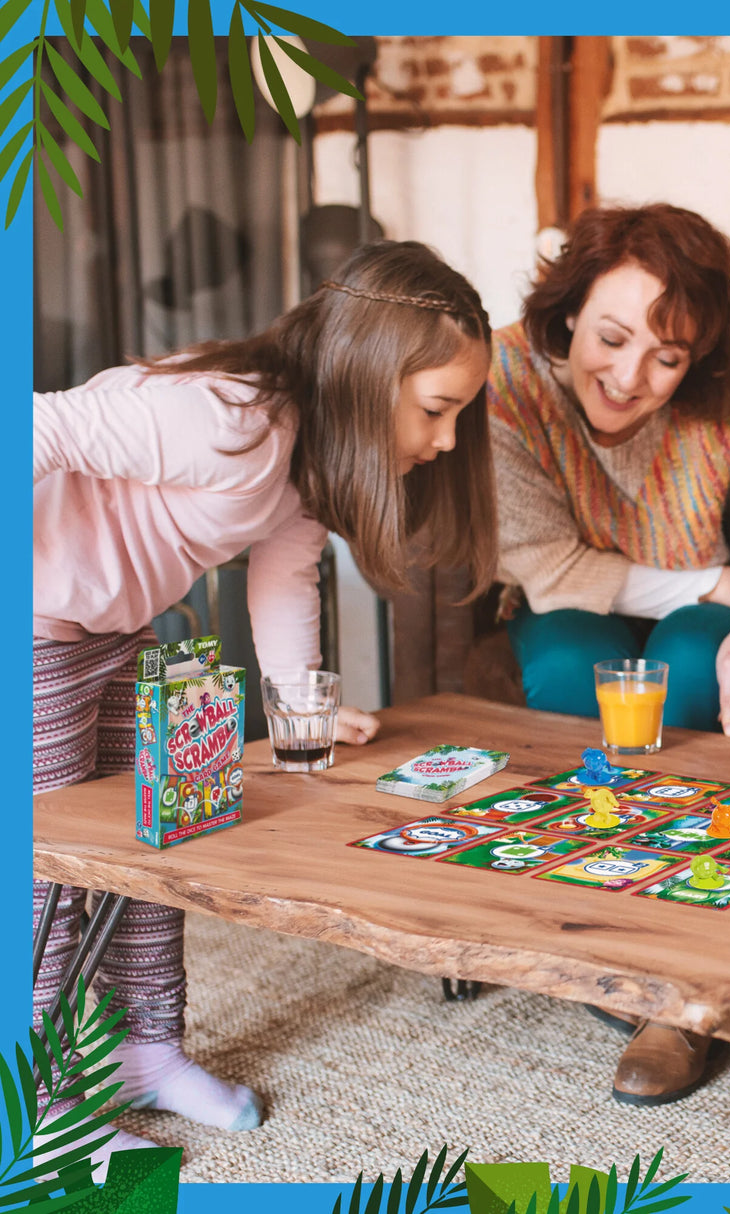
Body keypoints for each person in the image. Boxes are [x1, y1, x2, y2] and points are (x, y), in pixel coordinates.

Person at [33, 240, 497, 1170]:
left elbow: (285, 580)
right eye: (438, 409)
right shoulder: (218, 418)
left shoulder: (307, 464)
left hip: (118, 639)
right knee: (49, 876)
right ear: (369, 374)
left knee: (153, 842)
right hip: (33, 635)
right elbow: (37, 426)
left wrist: (300, 711)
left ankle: (142, 1050)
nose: (447, 440)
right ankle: (33, 1104)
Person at [487, 202, 730, 1105]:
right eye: (610, 336)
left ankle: (674, 984)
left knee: (692, 668)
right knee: (573, 668)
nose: (630, 375)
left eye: (668, 357)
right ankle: (578, 916)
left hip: (700, 615)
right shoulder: (499, 377)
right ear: (569, 310)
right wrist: (707, 583)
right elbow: (550, 570)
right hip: (566, 604)